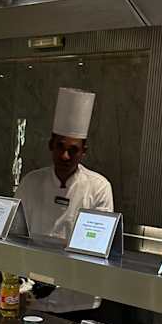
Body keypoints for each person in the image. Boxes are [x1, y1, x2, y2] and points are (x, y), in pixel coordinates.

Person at [15, 87, 113, 242]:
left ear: (83, 151)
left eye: (73, 150)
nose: (65, 156)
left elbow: (98, 242)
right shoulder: (30, 183)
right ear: (51, 145)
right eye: (60, 147)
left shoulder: (99, 188)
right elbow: (14, 233)